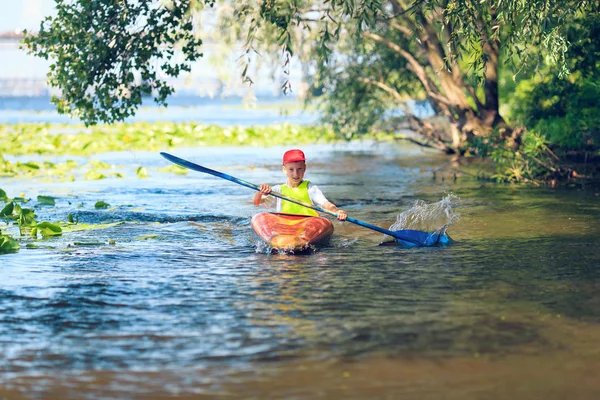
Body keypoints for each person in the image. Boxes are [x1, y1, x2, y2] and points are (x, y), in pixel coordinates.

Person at [253, 149, 348, 221]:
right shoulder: (278, 190)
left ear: (305, 168)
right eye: (291, 169)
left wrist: (337, 211)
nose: (295, 174)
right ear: (284, 169)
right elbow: (256, 202)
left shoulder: (310, 188)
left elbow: (325, 204)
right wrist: (260, 192)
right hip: (285, 225)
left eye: (299, 169)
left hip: (308, 224)